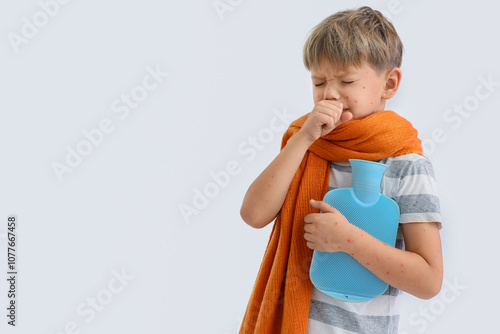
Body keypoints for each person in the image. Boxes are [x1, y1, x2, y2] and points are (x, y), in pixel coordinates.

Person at [238, 6, 443, 334]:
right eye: (319, 82)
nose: (329, 94)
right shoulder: (306, 147)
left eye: (347, 80)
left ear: (389, 84)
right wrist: (304, 136)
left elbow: (428, 280)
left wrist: (347, 240)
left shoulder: (407, 166)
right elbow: (253, 214)